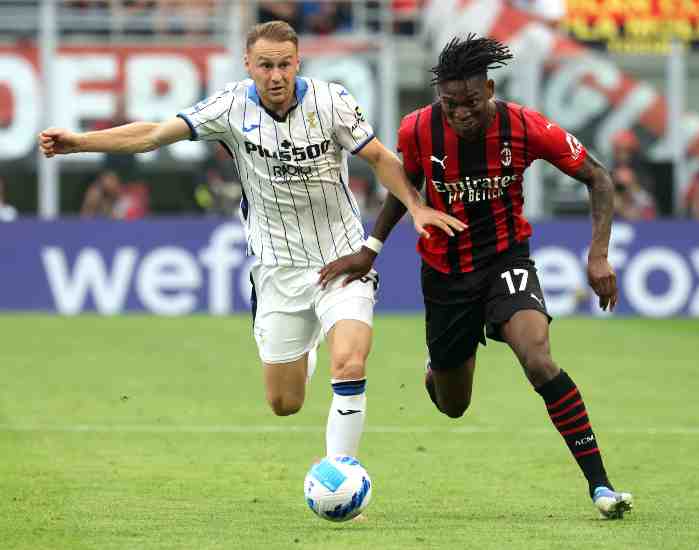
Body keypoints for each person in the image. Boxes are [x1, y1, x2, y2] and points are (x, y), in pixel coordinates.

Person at [39, 21, 463, 463]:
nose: (276, 76)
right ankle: (305, 349)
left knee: (351, 365)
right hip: (277, 269)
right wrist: (79, 143)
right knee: (285, 403)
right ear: (248, 65)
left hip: (343, 259)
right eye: (265, 65)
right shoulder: (228, 107)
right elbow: (153, 134)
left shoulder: (332, 102)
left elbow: (378, 157)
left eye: (284, 65)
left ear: (298, 62)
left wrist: (415, 206)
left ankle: (342, 473)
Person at [318, 34, 633, 519]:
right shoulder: (418, 129)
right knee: (452, 405)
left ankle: (601, 486)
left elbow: (598, 176)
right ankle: (436, 368)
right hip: (445, 273)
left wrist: (598, 256)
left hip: (506, 260)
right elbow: (407, 188)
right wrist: (370, 248)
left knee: (538, 359)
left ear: (488, 90)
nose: (459, 113)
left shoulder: (525, 126)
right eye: (449, 104)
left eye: (468, 103)